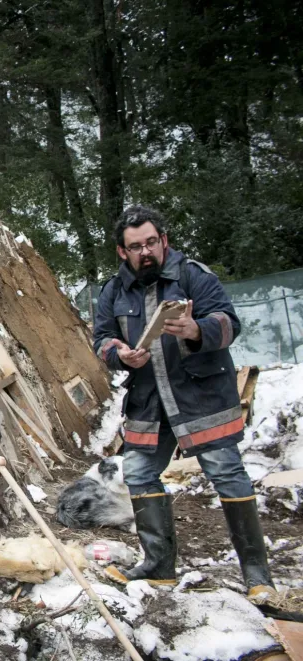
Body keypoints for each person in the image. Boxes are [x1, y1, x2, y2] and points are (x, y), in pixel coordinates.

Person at [92, 205, 276, 603]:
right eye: (135, 246)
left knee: (226, 473)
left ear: (164, 241)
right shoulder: (112, 291)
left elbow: (228, 322)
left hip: (201, 395)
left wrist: (196, 329)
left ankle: (258, 575)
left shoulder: (193, 275)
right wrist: (119, 354)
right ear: (122, 253)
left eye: (151, 243)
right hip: (148, 401)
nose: (146, 252)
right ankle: (159, 567)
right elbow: (102, 339)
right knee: (139, 474)